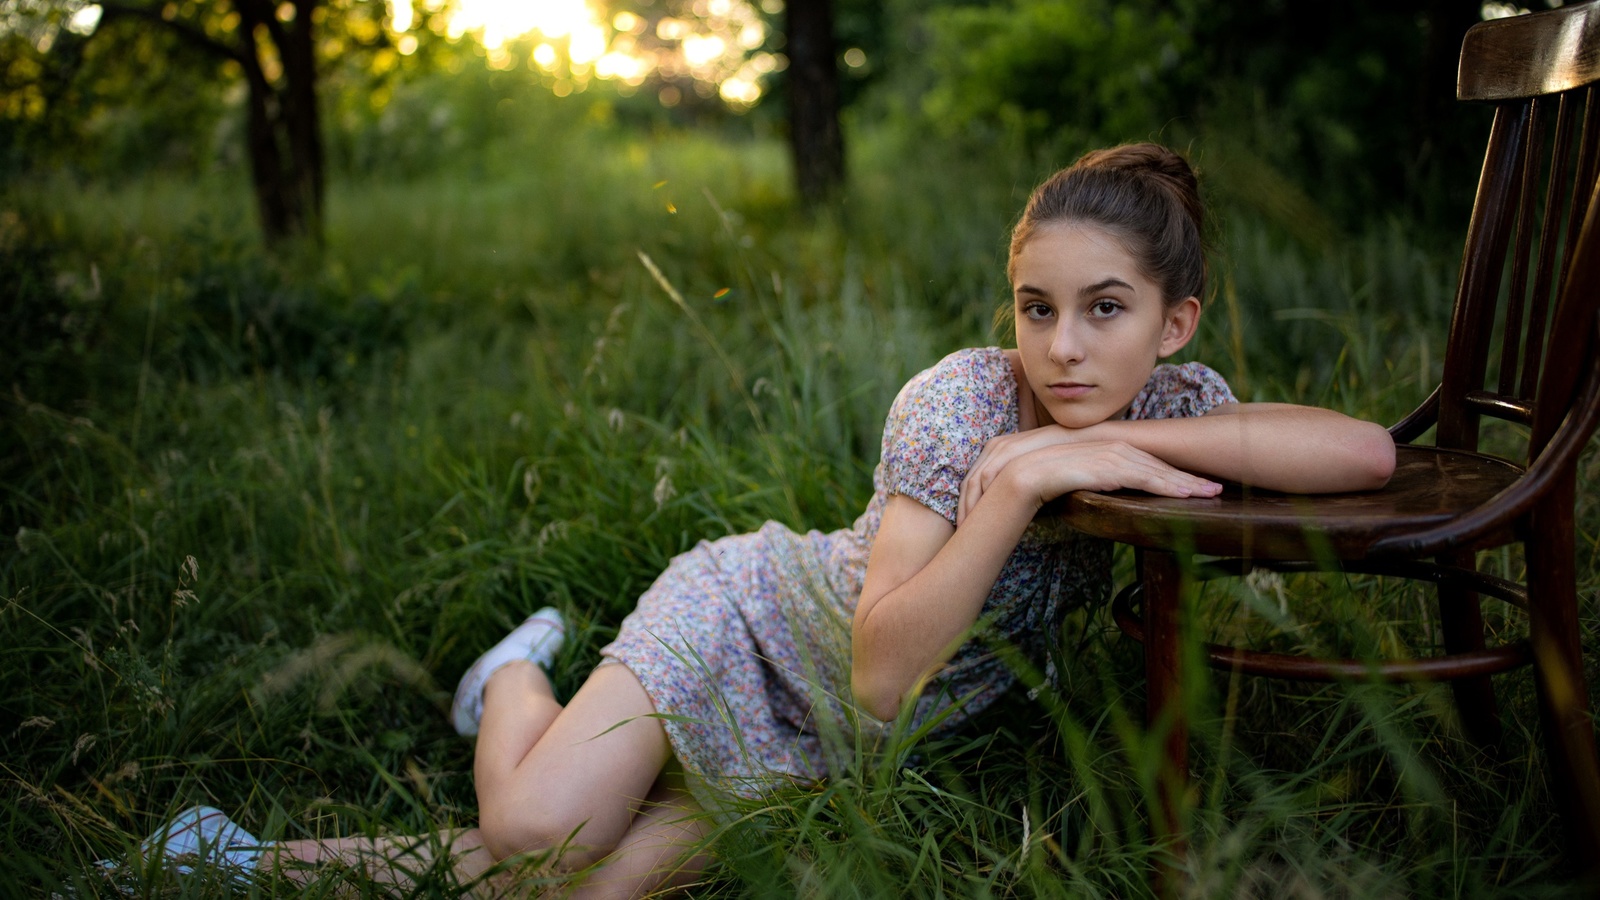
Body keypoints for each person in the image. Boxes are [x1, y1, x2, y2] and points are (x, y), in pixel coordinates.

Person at [111, 142, 1396, 897]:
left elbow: (1364, 449)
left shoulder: (1180, 400)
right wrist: (1016, 481)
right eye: (1034, 305)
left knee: (573, 890)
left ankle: (237, 857)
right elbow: (884, 670)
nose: (1061, 346)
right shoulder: (959, 408)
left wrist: (1119, 443)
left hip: (830, 753)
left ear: (1174, 324)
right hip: (759, 627)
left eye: (1104, 310)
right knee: (531, 832)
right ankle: (510, 682)